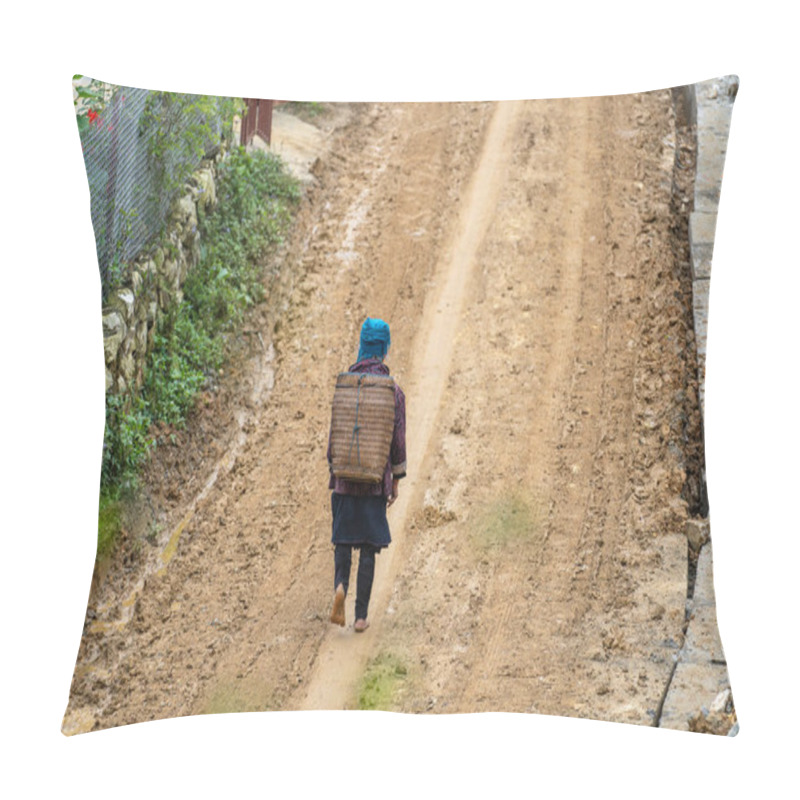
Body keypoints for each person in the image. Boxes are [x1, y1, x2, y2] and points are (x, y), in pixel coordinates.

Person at [327, 318, 407, 632]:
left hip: (345, 482)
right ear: (383, 348)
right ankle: (360, 616)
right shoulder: (393, 392)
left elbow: (334, 437)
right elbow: (397, 441)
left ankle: (339, 587)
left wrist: (335, 472)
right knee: (369, 547)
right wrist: (395, 479)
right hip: (375, 483)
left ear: (362, 344)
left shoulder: (345, 385)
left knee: (344, 542)